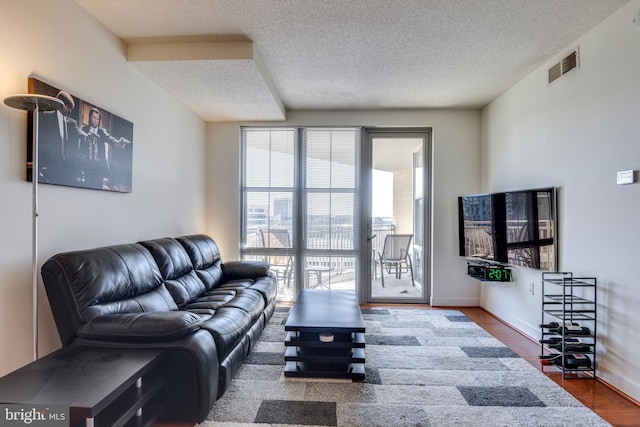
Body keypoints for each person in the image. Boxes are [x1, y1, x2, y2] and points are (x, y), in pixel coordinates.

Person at [37, 91, 85, 185]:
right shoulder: (46, 116)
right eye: (69, 108)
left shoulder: (70, 122)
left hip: (66, 167)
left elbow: (80, 132)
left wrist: (87, 137)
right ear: (62, 104)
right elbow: (41, 141)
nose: (70, 111)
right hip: (50, 166)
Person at [80, 107, 130, 190]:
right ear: (90, 117)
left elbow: (109, 138)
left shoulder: (102, 131)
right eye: (94, 117)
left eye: (98, 118)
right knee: (86, 187)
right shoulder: (84, 129)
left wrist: (118, 143)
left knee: (98, 187)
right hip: (87, 165)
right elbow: (81, 147)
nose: (96, 120)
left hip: (98, 166)